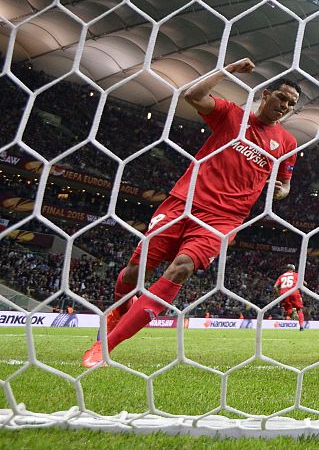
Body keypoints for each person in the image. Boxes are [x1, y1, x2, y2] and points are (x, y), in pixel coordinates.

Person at [82, 58, 301, 367]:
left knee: (181, 268)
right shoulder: (232, 116)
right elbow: (192, 97)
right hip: (182, 202)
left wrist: (282, 190)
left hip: (223, 219)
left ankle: (105, 347)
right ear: (267, 93)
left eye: (291, 104)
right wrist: (229, 70)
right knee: (136, 271)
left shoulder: (288, 143)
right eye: (282, 98)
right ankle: (118, 310)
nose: (285, 106)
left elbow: (286, 182)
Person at [274, 264, 305, 330]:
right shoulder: (296, 274)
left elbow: (275, 286)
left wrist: (279, 295)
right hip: (294, 292)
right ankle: (301, 326)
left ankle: (291, 316)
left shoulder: (281, 276)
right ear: (293, 269)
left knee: (288, 310)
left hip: (284, 293)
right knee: (299, 309)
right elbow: (304, 283)